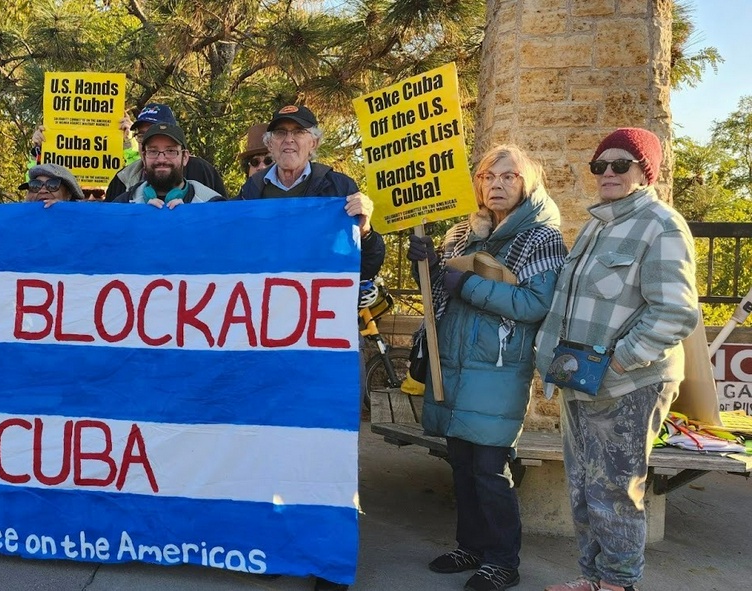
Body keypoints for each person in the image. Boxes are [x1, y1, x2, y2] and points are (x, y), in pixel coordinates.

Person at [536, 128, 700, 591]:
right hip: (580, 383)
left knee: (615, 491)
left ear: (644, 171)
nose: (608, 172)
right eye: (599, 165)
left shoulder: (660, 224)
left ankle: (618, 583)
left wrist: (619, 362)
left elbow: (676, 312)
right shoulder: (597, 224)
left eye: (620, 164)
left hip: (629, 383)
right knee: (584, 490)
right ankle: (591, 579)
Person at [407, 145, 568, 591]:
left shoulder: (541, 238)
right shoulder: (461, 234)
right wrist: (430, 264)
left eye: (509, 176)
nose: (496, 184)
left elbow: (535, 304)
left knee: (490, 468)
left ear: (527, 182)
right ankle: (471, 547)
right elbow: (440, 292)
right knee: (460, 461)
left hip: (497, 367)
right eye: (488, 176)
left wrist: (469, 284)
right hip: (455, 363)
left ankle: (502, 561)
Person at [235, 105, 384, 280]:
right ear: (270, 144)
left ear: (313, 143)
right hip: (266, 300)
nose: (289, 139)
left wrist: (365, 232)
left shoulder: (339, 188)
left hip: (318, 302)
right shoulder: (250, 191)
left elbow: (367, 269)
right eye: (280, 132)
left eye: (298, 132)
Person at [105, 103, 228, 200]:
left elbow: (221, 219)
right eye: (142, 135)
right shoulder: (122, 178)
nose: (161, 158)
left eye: (170, 150)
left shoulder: (202, 171)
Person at [110, 123, 222, 207]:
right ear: (144, 158)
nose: (161, 159)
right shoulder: (122, 205)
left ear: (185, 157)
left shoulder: (212, 202)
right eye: (153, 151)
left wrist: (191, 218)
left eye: (171, 151)